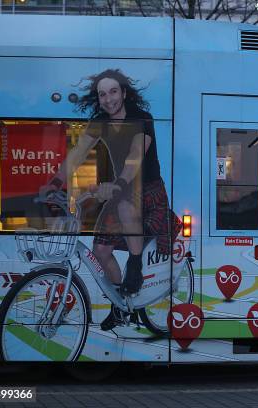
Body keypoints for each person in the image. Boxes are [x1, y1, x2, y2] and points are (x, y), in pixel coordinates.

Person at [40, 69, 171, 331]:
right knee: (100, 250)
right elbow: (78, 154)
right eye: (102, 94)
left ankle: (135, 265)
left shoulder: (141, 118)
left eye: (113, 91)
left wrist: (119, 184)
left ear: (123, 93)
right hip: (121, 187)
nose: (108, 98)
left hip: (148, 189)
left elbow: (135, 156)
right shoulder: (100, 121)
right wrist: (55, 183)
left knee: (124, 204)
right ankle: (121, 305)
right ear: (98, 99)